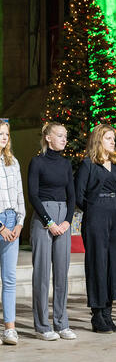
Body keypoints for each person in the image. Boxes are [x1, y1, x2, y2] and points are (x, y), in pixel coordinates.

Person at [75, 124, 116, 333]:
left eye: (113, 138)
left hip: (115, 216)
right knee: (98, 263)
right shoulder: (87, 164)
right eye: (108, 138)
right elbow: (79, 195)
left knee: (115, 263)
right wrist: (96, 207)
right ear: (98, 140)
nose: (113, 141)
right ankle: (97, 315)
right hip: (96, 217)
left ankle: (108, 313)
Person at [28, 122, 76, 341]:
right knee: (41, 274)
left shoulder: (66, 164)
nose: (64, 139)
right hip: (43, 218)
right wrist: (49, 222)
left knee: (61, 274)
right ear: (48, 137)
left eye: (65, 136)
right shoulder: (37, 162)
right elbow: (33, 195)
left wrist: (67, 221)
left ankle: (62, 323)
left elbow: (72, 195)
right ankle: (42, 326)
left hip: (63, 216)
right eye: (60, 135)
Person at [0, 121, 25, 345]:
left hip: (12, 219)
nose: (4, 137)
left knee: (9, 279)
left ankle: (10, 329)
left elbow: (20, 196)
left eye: (6, 134)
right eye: (0, 134)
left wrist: (19, 223)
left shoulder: (13, 162)